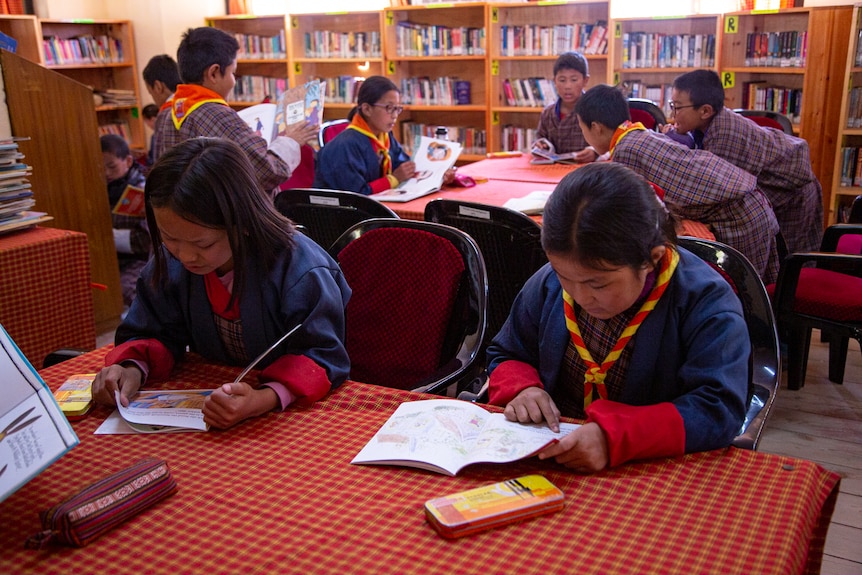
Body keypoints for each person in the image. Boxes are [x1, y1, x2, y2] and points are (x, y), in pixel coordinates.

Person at [486, 162, 749, 472]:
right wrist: (523, 389)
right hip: (556, 449)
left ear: (652, 258)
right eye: (564, 276)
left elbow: (717, 408)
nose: (580, 296)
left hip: (649, 463)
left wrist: (615, 437)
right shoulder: (549, 283)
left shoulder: (706, 302)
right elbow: (506, 351)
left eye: (598, 283)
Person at [92, 137, 351, 430]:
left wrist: (262, 399)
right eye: (170, 237)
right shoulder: (172, 263)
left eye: (203, 242)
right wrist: (131, 369)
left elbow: (321, 355)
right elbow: (153, 330)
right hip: (214, 401)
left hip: (288, 417)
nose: (186, 255)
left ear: (243, 221)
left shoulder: (301, 270)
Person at [575, 84, 780, 283]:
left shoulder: (626, 151)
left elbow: (638, 213)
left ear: (596, 127)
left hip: (741, 215)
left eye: (582, 128)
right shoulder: (638, 134)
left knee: (745, 296)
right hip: (748, 202)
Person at [665, 69, 823, 255]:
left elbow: (712, 195)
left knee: (788, 260)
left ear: (705, 111)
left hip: (793, 193)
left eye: (677, 107)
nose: (672, 113)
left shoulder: (725, 136)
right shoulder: (708, 123)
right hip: (777, 184)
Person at [152, 27, 317, 193]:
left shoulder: (172, 112)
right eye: (233, 73)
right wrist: (292, 141)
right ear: (214, 73)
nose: (234, 82)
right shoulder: (216, 115)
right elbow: (267, 171)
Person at [313, 76, 455, 195]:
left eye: (397, 109)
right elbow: (356, 196)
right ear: (367, 109)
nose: (394, 116)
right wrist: (393, 179)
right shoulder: (344, 146)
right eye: (389, 108)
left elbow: (405, 168)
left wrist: (438, 176)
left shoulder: (384, 137)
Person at [101, 134, 150, 308]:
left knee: (124, 290)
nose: (106, 173)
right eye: (101, 167)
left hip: (138, 259)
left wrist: (108, 237)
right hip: (108, 257)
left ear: (128, 161)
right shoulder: (99, 188)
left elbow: (146, 240)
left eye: (111, 166)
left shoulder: (143, 190)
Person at [533, 51, 599, 163]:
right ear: (554, 81)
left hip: (585, 172)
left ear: (585, 81)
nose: (567, 86)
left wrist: (595, 152)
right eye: (562, 80)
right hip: (552, 171)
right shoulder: (548, 113)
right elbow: (540, 139)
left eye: (574, 80)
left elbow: (610, 143)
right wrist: (540, 146)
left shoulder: (595, 110)